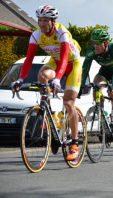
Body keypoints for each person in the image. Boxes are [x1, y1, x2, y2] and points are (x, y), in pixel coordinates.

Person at [11, 5, 82, 161]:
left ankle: (75, 144)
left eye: (45, 21)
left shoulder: (62, 33)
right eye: (40, 20)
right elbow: (28, 60)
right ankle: (48, 114)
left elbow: (65, 58)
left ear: (53, 21)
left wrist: (57, 79)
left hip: (72, 64)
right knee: (42, 75)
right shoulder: (36, 35)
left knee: (68, 102)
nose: (41, 24)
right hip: (55, 61)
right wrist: (20, 79)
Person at [81, 28, 113, 151]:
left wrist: (112, 86)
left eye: (98, 42)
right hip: (105, 71)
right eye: (93, 42)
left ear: (106, 43)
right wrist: (81, 85)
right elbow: (85, 69)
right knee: (96, 84)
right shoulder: (92, 51)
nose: (95, 45)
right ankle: (101, 112)